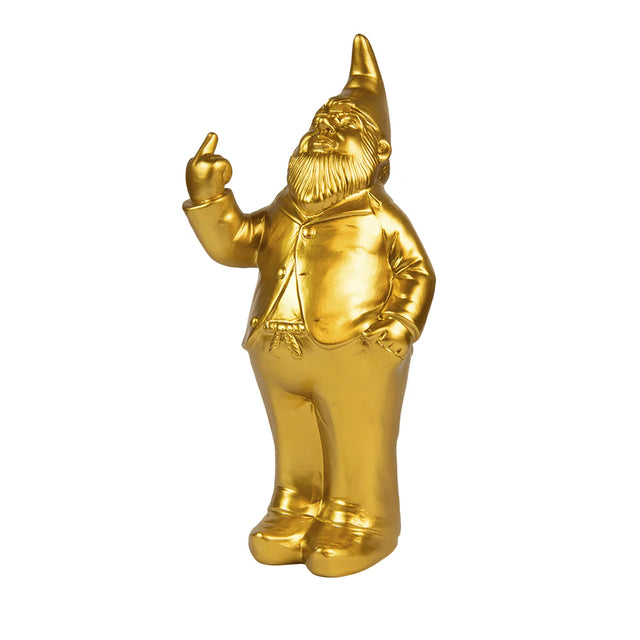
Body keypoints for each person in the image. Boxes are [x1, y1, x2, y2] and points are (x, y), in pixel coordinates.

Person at [183, 34, 435, 577]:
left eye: (344, 126)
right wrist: (210, 198)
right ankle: (295, 507)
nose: (324, 131)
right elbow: (238, 244)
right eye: (320, 122)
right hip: (278, 349)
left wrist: (400, 324)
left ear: (377, 153)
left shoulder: (378, 215)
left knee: (356, 438)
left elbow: (417, 271)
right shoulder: (284, 207)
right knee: (294, 441)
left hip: (355, 351)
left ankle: (361, 517)